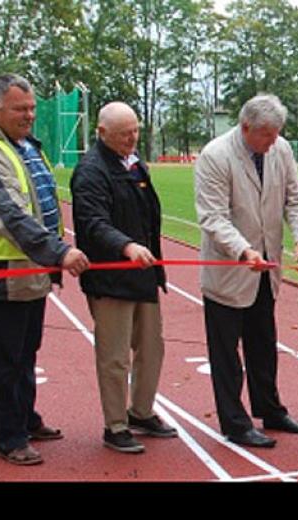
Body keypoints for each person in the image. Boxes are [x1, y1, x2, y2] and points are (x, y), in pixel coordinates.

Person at [0, 73, 89, 466]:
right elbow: (10, 213)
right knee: (4, 358)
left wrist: (50, 258)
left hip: (30, 271)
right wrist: (58, 252)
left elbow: (43, 200)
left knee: (26, 352)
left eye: (32, 107)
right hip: (1, 274)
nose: (29, 115)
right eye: (20, 109)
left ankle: (25, 419)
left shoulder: (26, 145)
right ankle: (10, 438)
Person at [194, 94, 298, 449]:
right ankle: (234, 422)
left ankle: (271, 410)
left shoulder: (281, 149)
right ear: (245, 127)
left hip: (265, 269)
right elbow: (213, 217)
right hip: (229, 270)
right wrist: (243, 250)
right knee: (226, 353)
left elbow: (295, 198)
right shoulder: (215, 156)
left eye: (276, 133)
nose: (273, 141)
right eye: (266, 134)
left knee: (264, 345)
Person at [71, 102, 178, 454]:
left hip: (143, 275)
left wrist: (150, 260)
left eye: (135, 131)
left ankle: (141, 411)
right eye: (123, 134)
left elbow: (148, 216)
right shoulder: (90, 170)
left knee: (152, 347)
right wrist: (127, 246)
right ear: (102, 133)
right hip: (111, 277)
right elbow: (92, 222)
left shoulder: (133, 164)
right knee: (115, 356)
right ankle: (115, 425)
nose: (132, 138)